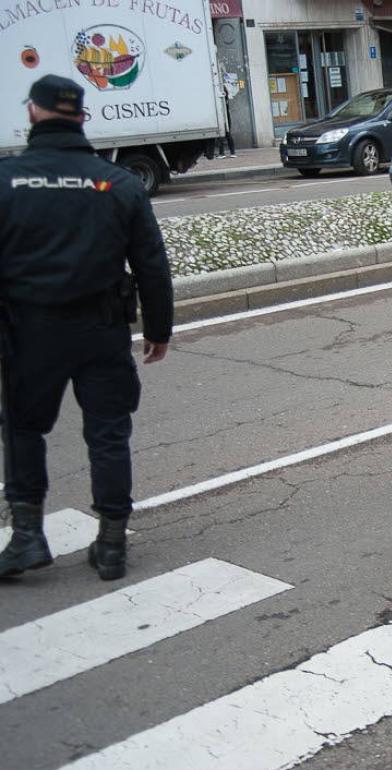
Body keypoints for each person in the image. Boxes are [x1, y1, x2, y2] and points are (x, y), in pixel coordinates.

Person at [0, 75, 173, 581]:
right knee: (108, 433)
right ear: (83, 117)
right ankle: (112, 545)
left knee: (24, 430)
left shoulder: (7, 182)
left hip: (27, 334)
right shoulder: (116, 183)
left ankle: (28, 537)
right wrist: (159, 328)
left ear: (32, 113)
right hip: (102, 330)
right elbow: (151, 263)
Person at [216, 84, 236, 158]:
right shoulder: (225, 97)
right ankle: (232, 152)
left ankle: (222, 153)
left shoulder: (221, 98)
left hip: (223, 116)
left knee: (222, 135)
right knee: (228, 134)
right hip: (226, 116)